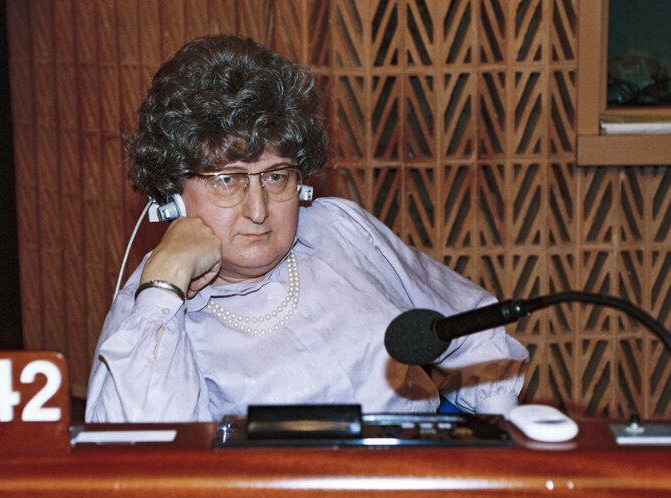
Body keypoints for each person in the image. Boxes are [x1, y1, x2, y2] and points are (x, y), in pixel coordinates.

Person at [86, 35, 528, 423]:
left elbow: (472, 329)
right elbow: (145, 457)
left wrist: (497, 445)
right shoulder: (153, 308)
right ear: (172, 194)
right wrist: (167, 284)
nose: (258, 210)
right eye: (227, 180)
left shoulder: (342, 229)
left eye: (277, 175)